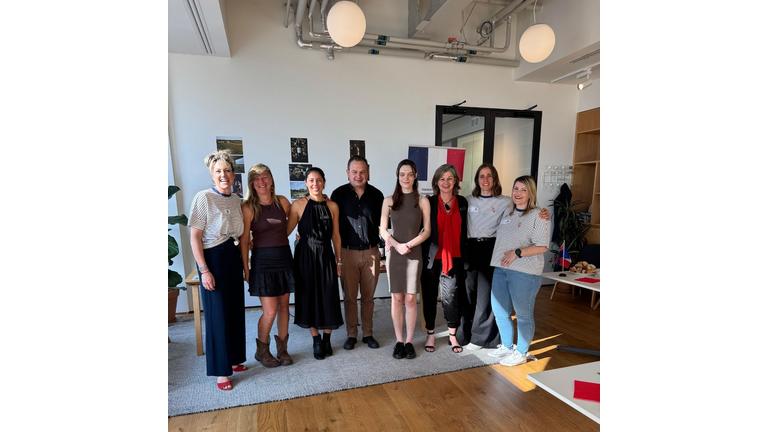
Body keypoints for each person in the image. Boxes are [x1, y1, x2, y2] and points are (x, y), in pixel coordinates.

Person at [463, 164, 550, 350]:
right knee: (479, 298)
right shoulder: (470, 201)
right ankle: (479, 338)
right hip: (480, 252)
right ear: (477, 180)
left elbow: (530, 214)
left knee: (491, 299)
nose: (485, 180)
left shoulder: (507, 203)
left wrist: (543, 212)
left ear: (495, 179)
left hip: (497, 251)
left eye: (489, 176)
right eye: (481, 176)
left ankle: (490, 341)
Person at [188, 150, 247, 391]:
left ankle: (233, 359)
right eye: (218, 171)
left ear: (233, 174)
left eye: (227, 170)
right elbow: (194, 236)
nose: (224, 175)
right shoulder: (203, 198)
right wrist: (204, 270)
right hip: (213, 258)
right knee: (217, 315)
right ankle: (221, 371)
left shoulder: (236, 199)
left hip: (232, 256)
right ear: (212, 174)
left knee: (234, 311)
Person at [488, 175, 551, 367]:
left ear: (531, 193)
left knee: (523, 314)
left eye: (524, 190)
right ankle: (507, 347)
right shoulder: (508, 213)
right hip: (501, 268)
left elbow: (542, 246)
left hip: (525, 272)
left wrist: (517, 253)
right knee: (500, 311)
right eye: (516, 188)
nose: (518, 193)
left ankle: (521, 352)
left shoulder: (539, 215)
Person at [240, 163, 294, 368]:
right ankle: (262, 350)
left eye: (265, 177)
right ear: (252, 183)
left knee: (284, 306)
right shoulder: (248, 207)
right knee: (270, 310)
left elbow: (291, 223)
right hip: (262, 262)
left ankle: (283, 349)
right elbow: (244, 241)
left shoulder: (283, 202)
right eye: (257, 179)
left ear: (271, 179)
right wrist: (246, 269)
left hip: (284, 258)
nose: (261, 182)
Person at [286, 167, 344, 360]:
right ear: (306, 183)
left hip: (326, 255)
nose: (315, 184)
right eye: (311, 180)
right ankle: (316, 339)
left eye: (318, 180)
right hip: (304, 256)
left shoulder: (333, 206)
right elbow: (285, 231)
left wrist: (339, 261)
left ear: (324, 182)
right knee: (307, 296)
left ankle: (327, 338)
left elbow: (336, 236)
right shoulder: (298, 205)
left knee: (329, 295)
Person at [330, 156, 385, 351]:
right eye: (354, 172)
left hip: (371, 253)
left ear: (368, 172)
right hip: (347, 253)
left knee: (368, 298)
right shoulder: (338, 194)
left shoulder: (377, 195)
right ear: (347, 173)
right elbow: (331, 225)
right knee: (350, 297)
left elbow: (383, 226)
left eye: (362, 172)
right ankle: (351, 334)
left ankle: (368, 333)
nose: (358, 175)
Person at [379, 159, 431, 359]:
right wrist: (396, 244)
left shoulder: (423, 200)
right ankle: (399, 341)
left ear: (415, 176)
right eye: (402, 174)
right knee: (397, 297)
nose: (406, 178)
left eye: (410, 174)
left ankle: (409, 341)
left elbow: (427, 230)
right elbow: (383, 229)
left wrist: (409, 244)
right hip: (395, 253)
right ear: (397, 176)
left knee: (410, 298)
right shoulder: (388, 201)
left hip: (414, 253)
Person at [421, 164, 469, 354]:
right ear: (436, 182)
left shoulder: (463, 202)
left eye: (450, 178)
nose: (446, 182)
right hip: (432, 257)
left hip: (455, 257)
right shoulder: (429, 202)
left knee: (451, 297)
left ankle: (452, 334)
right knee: (429, 295)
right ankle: (430, 334)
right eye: (442, 179)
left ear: (455, 181)